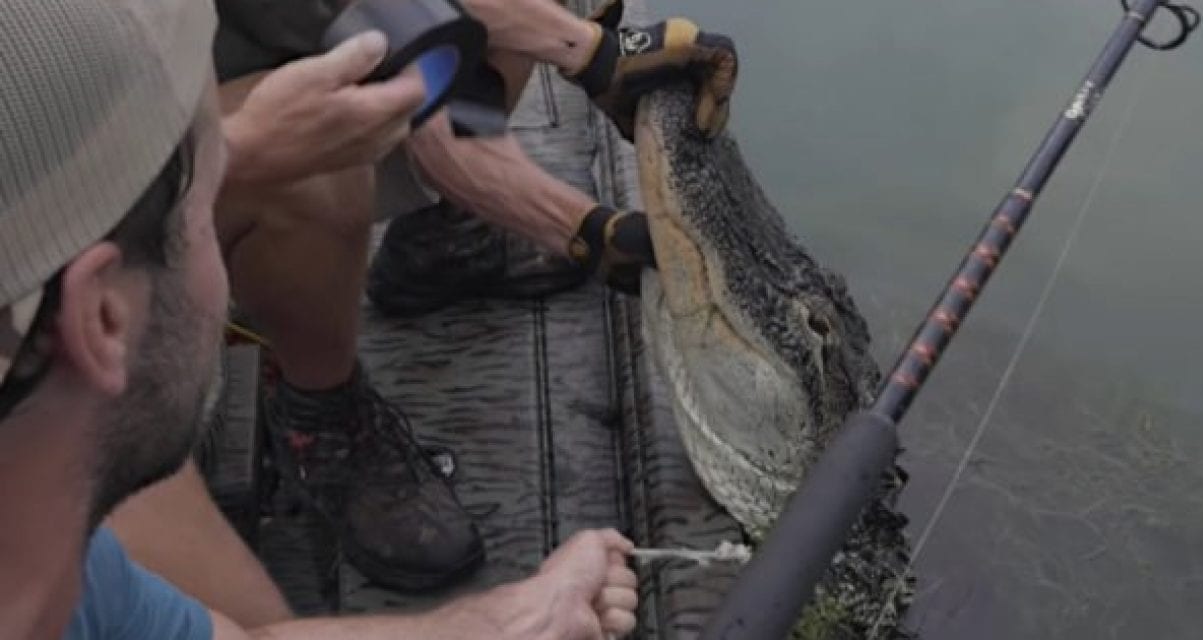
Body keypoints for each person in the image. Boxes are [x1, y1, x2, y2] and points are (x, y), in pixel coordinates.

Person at [0, 1, 639, 638]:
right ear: (104, 318)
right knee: (309, 170)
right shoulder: (64, 569)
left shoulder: (59, 572)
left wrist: (521, 621)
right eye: (197, 211)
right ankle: (320, 419)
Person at [107, 0, 739, 600]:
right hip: (94, 211)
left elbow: (391, 27)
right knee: (319, 165)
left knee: (455, 33)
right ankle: (322, 414)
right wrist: (589, 235)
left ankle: (449, 243)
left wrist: (599, 53)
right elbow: (432, 116)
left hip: (190, 92)